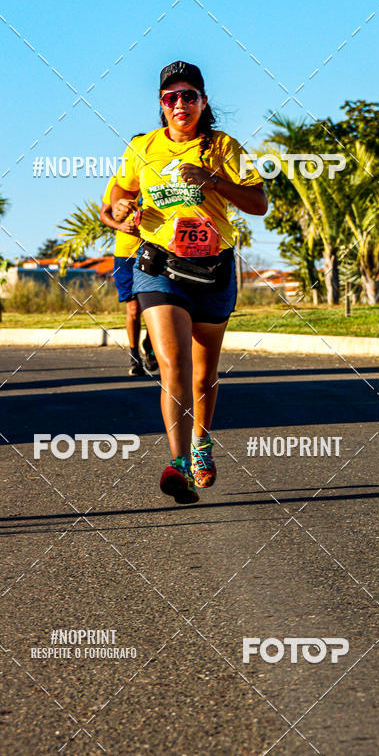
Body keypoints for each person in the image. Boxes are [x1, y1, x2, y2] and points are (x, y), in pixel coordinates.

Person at [112, 61, 267, 503]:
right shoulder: (142, 148)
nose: (180, 104)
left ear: (203, 102)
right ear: (161, 106)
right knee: (172, 365)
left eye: (189, 96)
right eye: (170, 97)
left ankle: (201, 444)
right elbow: (116, 199)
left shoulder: (222, 148)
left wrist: (213, 181)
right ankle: (178, 462)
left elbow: (259, 202)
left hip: (213, 269)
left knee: (203, 376)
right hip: (158, 266)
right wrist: (121, 213)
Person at [100, 160, 158, 376]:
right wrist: (119, 225)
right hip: (125, 254)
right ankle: (134, 357)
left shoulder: (157, 179)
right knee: (133, 309)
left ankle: (150, 347)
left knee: (156, 304)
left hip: (154, 250)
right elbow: (104, 213)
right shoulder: (118, 182)